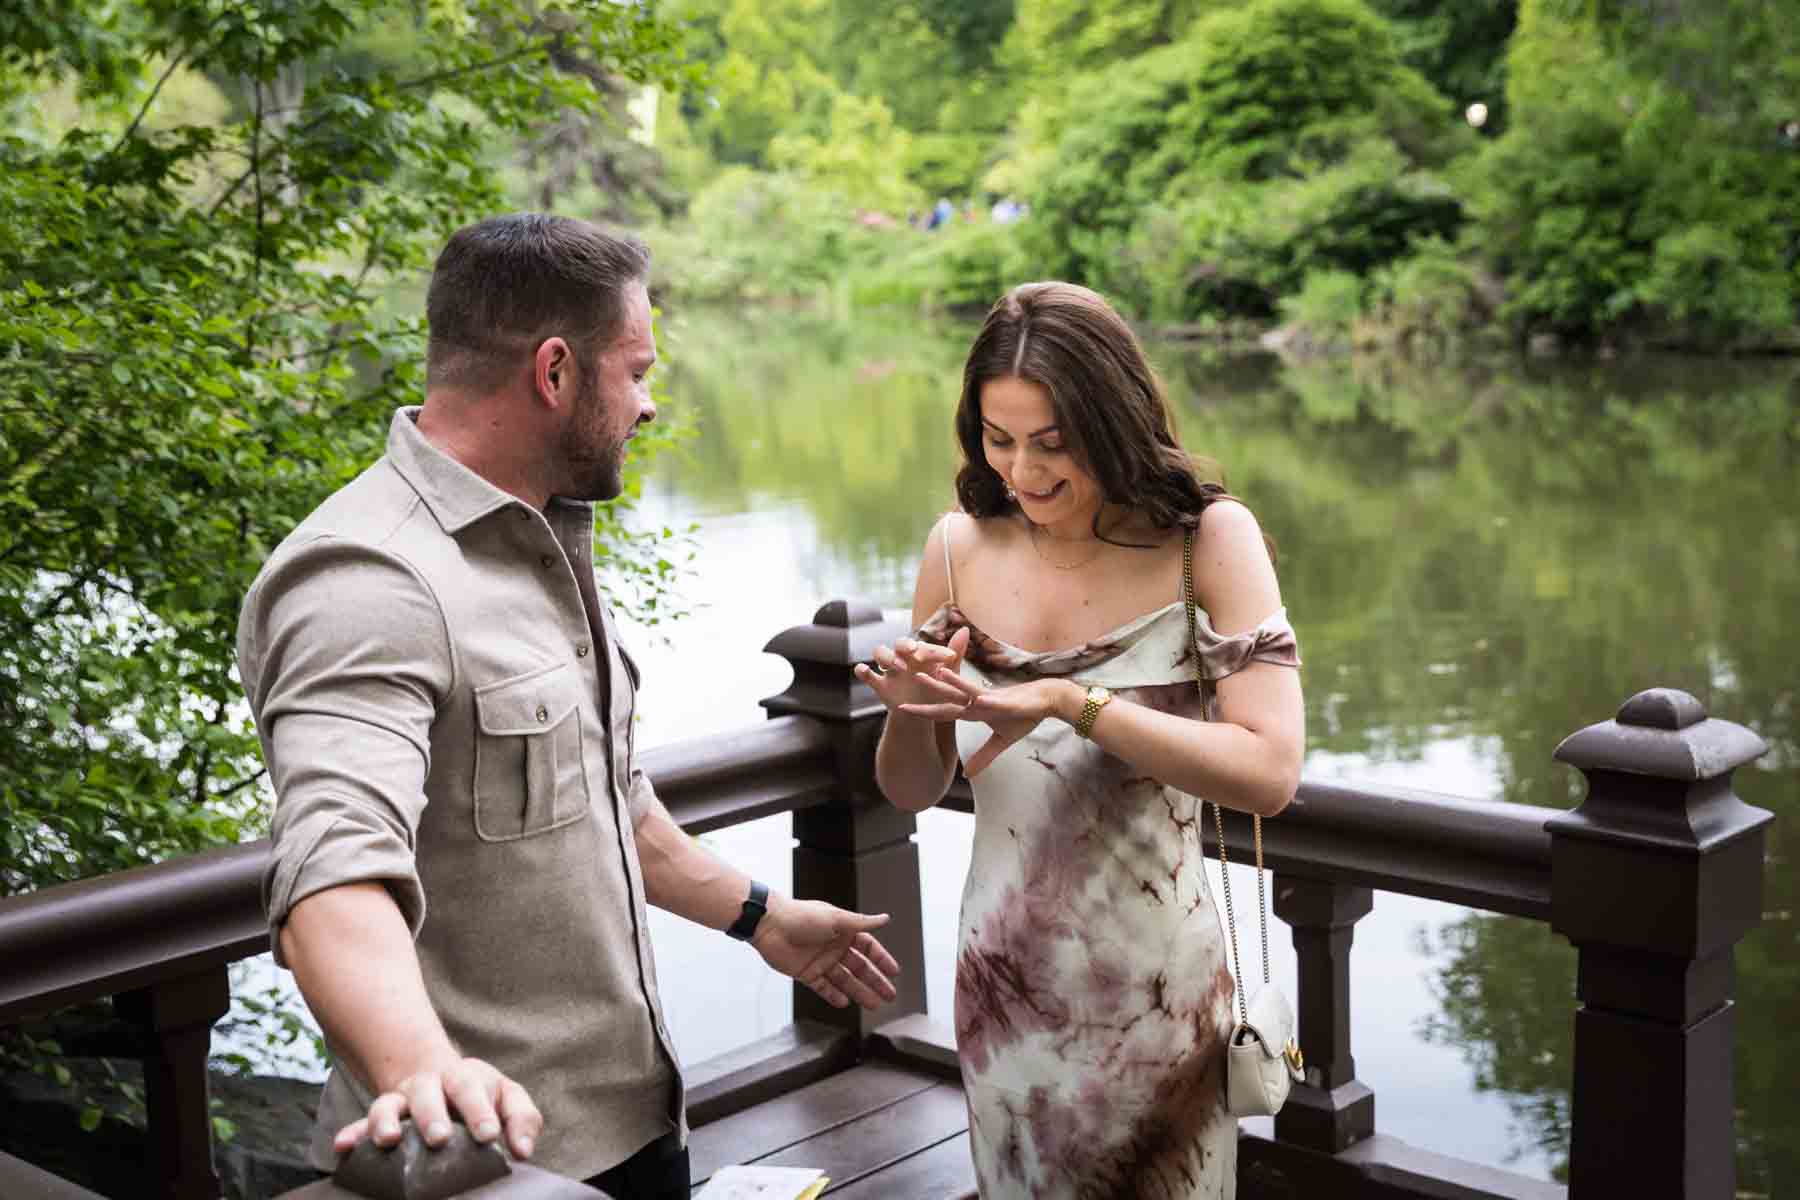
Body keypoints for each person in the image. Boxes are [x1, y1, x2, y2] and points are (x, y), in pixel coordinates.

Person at [236, 214, 902, 1198]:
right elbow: (333, 871)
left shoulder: (541, 534)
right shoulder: (369, 581)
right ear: (554, 372)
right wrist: (425, 1074)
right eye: (635, 371)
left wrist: (761, 916)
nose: (649, 403)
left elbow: (603, 799)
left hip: (634, 1129)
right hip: (491, 1165)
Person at [855, 282, 1303, 1198]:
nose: (1023, 471)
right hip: (1005, 984)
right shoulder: (956, 548)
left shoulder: (1206, 541)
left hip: (1157, 994)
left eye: (1053, 443)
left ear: (1116, 420)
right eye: (998, 438)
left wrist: (1071, 701)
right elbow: (907, 789)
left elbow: (1268, 773)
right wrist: (912, 704)